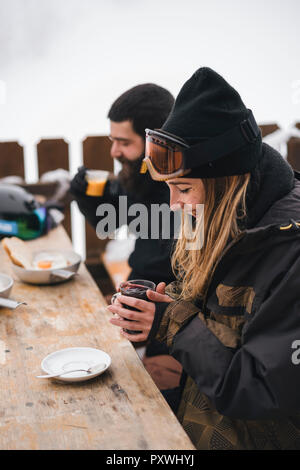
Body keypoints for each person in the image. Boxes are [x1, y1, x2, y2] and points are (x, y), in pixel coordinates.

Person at [108, 67, 300, 450]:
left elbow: (261, 389)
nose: (174, 205)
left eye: (182, 188)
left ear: (226, 183)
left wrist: (172, 323)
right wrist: (161, 306)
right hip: (202, 412)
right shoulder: (233, 221)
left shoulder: (289, 252)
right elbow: (224, 321)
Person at [70, 83, 182, 400]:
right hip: (145, 304)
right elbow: (116, 219)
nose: (114, 151)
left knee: (139, 394)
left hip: (177, 322)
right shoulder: (145, 176)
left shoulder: (183, 189)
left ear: (154, 140)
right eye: (112, 140)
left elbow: (165, 266)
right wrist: (87, 196)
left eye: (123, 142)